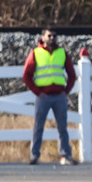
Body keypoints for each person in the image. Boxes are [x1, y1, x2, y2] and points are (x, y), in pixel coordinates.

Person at [22, 28, 78, 165]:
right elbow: (26, 75)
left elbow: (72, 75)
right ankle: (34, 155)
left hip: (59, 96)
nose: (52, 38)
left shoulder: (62, 53)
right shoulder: (36, 53)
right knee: (38, 126)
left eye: (54, 35)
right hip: (44, 96)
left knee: (62, 127)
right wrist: (37, 91)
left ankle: (65, 154)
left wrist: (66, 91)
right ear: (43, 37)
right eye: (49, 35)